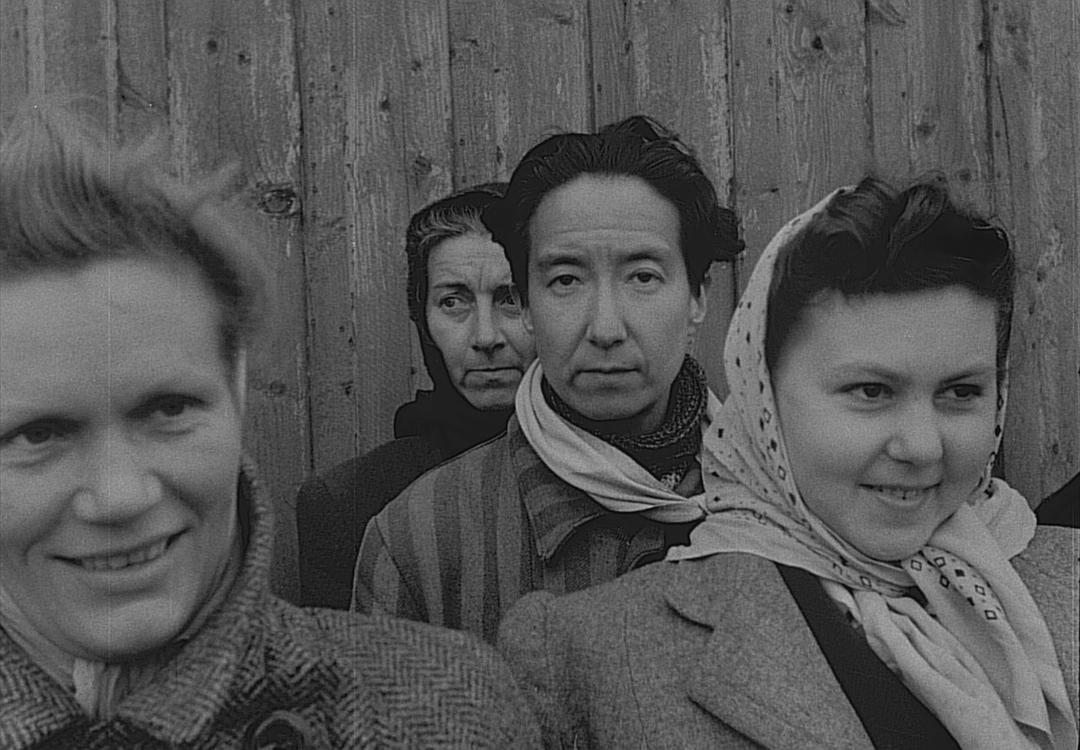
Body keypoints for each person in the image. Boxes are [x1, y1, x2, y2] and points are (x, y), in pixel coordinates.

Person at [0, 99, 540, 749]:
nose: (120, 495)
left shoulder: (449, 705)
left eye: (168, 409)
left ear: (236, 390)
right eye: (38, 435)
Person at [498, 177, 1078, 749]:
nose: (923, 447)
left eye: (960, 393)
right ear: (765, 399)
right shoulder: (590, 654)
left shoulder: (1065, 577)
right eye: (871, 392)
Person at [353, 115, 743, 642]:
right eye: (565, 280)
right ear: (528, 305)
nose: (606, 328)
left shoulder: (779, 507)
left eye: (642, 277)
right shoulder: (418, 540)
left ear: (697, 297)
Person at [296, 183, 536, 609]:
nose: (486, 337)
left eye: (511, 299)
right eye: (453, 302)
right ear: (422, 319)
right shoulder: (353, 502)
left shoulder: (611, 473)